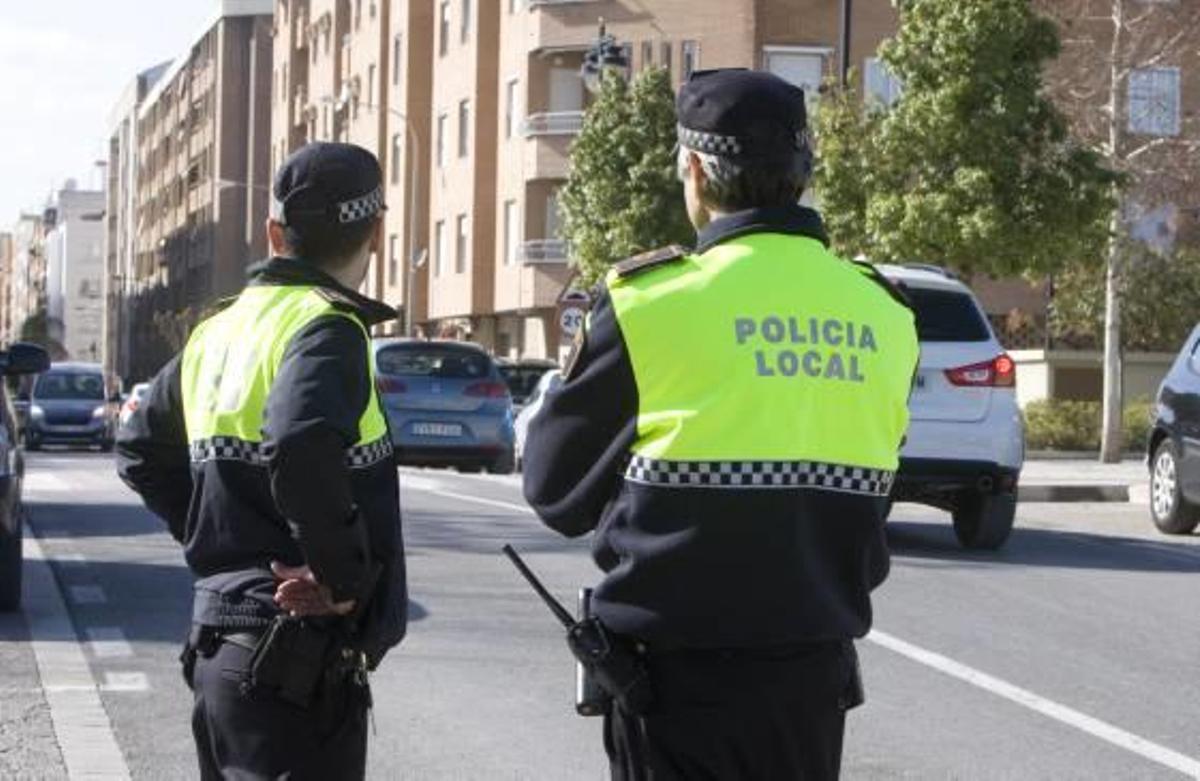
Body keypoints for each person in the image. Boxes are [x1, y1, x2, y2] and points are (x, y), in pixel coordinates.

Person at [522, 69, 919, 780]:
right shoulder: (883, 312)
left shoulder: (649, 304)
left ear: (696, 169)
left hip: (671, 684)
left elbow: (553, 491)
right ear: (803, 171)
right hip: (810, 680)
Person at [117, 142, 407, 780]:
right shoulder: (328, 328)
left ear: (274, 232)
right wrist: (341, 580)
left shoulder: (218, 331)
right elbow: (299, 438)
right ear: (377, 232)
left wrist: (211, 537)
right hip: (289, 666)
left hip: (223, 649)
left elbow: (138, 445)